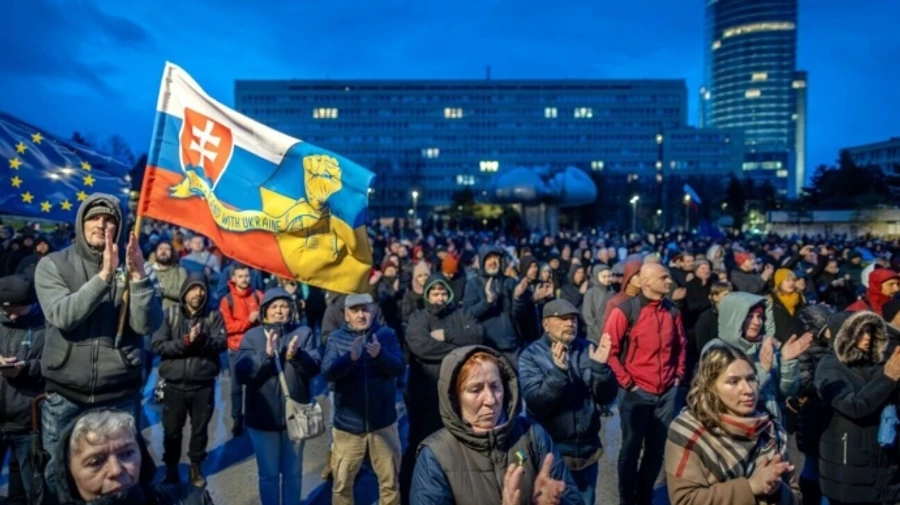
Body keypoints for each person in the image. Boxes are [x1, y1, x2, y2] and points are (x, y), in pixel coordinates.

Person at [34, 194, 163, 500]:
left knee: (121, 480)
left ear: (118, 227)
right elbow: (62, 315)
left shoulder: (136, 265)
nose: (101, 224)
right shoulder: (52, 264)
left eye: (109, 219)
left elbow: (147, 325)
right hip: (65, 395)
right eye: (94, 218)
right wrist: (105, 276)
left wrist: (138, 278)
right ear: (81, 223)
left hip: (119, 393)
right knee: (59, 477)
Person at [411, 346, 582, 505]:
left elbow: (573, 499)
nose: (491, 400)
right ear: (455, 398)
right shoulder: (435, 455)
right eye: (476, 390)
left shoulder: (531, 434)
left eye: (495, 386)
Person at [665, 344, 801, 505]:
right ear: (711, 387)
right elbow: (685, 500)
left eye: (751, 379)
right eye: (733, 381)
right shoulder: (689, 432)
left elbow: (796, 497)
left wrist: (777, 490)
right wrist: (750, 487)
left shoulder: (771, 430)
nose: (748, 390)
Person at [519, 299, 618, 504]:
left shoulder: (587, 349)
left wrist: (600, 369)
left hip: (587, 452)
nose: (570, 324)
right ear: (546, 324)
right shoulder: (531, 356)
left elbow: (606, 398)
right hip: (552, 454)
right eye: (563, 319)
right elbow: (537, 403)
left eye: (573, 319)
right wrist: (559, 373)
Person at [603, 263, 686, 505]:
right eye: (664, 277)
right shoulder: (625, 310)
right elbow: (610, 351)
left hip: (666, 393)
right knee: (630, 449)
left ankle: (644, 496)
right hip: (636, 393)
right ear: (646, 282)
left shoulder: (672, 311)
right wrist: (628, 383)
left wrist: (678, 375)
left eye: (669, 277)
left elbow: (681, 346)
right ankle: (627, 499)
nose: (669, 281)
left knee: (656, 450)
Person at [401, 273, 484, 504]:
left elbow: (477, 336)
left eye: (443, 293)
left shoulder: (460, 314)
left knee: (457, 450)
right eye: (435, 293)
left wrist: (446, 335)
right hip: (424, 396)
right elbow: (421, 347)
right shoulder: (419, 318)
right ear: (427, 295)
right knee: (421, 447)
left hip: (456, 396)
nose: (439, 298)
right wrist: (457, 351)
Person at [235, 287, 320, 505]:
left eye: (284, 306)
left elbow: (315, 368)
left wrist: (296, 356)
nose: (279, 311)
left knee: (293, 474)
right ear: (264, 311)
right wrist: (266, 355)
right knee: (269, 475)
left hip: (296, 418)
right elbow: (243, 372)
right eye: (274, 307)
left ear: (291, 310)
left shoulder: (303, 333)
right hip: (263, 420)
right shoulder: (252, 336)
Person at [321, 294, 405, 505]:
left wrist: (380, 355)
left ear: (373, 311)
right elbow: (328, 373)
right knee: (342, 486)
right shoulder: (336, 338)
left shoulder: (386, 335)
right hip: (349, 427)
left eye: (365, 309)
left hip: (382, 424)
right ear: (346, 315)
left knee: (390, 483)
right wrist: (349, 359)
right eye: (355, 310)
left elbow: (399, 367)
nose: (361, 315)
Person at [816, 310, 900, 505]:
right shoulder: (829, 366)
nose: (867, 338)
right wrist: (888, 379)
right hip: (849, 466)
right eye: (860, 332)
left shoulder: (876, 363)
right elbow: (853, 406)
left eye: (870, 332)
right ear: (845, 335)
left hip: (885, 462)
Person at [151, 273, 226, 487]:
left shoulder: (213, 316)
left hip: (202, 384)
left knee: (200, 430)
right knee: (172, 431)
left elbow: (221, 343)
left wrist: (203, 340)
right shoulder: (169, 315)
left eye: (201, 289)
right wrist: (185, 342)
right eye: (193, 289)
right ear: (185, 292)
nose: (198, 293)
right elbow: (158, 345)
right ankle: (172, 468)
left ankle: (196, 467)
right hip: (174, 385)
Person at [49, 409, 213, 504]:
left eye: (127, 453)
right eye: (96, 462)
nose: (115, 470)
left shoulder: (192, 499)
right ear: (69, 475)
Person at [707, 292, 809, 426]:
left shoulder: (765, 346)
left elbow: (786, 392)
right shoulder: (718, 350)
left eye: (760, 316)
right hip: (739, 428)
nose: (757, 322)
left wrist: (787, 361)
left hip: (772, 427)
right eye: (749, 316)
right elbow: (728, 397)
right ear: (733, 318)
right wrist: (763, 370)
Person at [0, 273, 45, 503]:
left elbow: (52, 363)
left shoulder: (44, 325)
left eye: (19, 308)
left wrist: (26, 368)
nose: (13, 314)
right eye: (7, 310)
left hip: (28, 420)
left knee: (30, 487)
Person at [463, 245, 531, 369]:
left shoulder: (510, 282)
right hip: (487, 346)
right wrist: (487, 302)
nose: (493, 262)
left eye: (496, 258)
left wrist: (517, 298)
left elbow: (519, 315)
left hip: (512, 346)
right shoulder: (473, 284)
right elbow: (468, 314)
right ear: (482, 261)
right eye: (488, 258)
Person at [220, 264, 263, 437]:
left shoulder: (258, 296)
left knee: (255, 385)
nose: (244, 279)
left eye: (246, 276)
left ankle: (253, 418)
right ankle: (237, 420)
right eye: (240, 276)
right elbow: (228, 326)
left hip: (255, 348)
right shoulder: (227, 300)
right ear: (233, 279)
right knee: (236, 387)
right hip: (236, 348)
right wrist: (249, 321)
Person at [147, 241, 188, 313]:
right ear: (155, 253)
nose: (163, 251)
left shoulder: (180, 271)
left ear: (172, 253)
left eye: (167, 249)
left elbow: (184, 293)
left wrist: (164, 291)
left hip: (173, 314)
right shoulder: (148, 270)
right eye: (160, 249)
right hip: (150, 313)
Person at [582, 264, 615, 344]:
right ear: (597, 276)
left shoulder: (613, 292)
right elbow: (587, 315)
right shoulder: (591, 293)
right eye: (604, 277)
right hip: (594, 334)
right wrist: (595, 328)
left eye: (609, 276)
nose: (607, 279)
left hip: (610, 331)